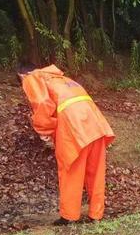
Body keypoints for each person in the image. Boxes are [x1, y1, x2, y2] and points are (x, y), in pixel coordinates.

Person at [17, 64, 115, 225]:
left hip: (74, 127)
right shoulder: (61, 79)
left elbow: (42, 103)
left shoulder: (32, 77)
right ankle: (96, 215)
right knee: (96, 171)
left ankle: (69, 216)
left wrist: (45, 131)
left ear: (22, 75)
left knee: (71, 171)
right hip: (96, 124)